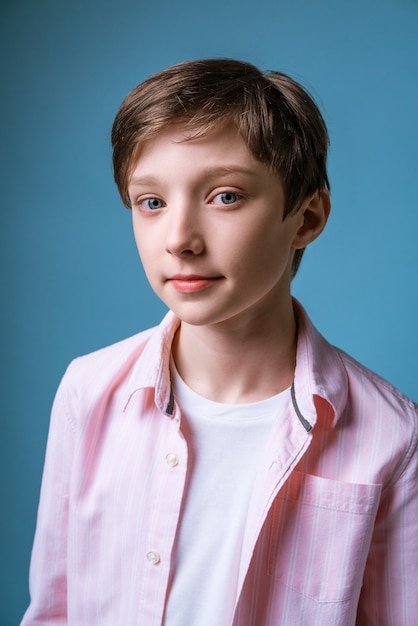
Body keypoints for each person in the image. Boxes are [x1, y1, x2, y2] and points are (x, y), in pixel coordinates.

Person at [21, 59, 417, 626]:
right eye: (151, 202)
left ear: (306, 218)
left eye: (225, 196)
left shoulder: (394, 437)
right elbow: (53, 612)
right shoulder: (88, 392)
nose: (179, 239)